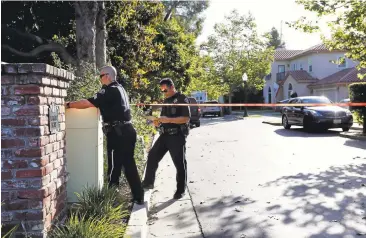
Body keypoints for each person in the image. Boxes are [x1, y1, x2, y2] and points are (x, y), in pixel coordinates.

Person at [65, 65, 144, 205]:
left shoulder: (109, 90)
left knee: (114, 166)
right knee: (128, 164)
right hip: (127, 130)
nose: (100, 79)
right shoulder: (121, 89)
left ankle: (110, 201)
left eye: (101, 76)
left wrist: (68, 104)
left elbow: (87, 103)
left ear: (107, 76)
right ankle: (138, 196)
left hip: (117, 133)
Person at [142, 78, 191, 200]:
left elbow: (185, 118)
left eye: (165, 89)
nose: (163, 92)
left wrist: (168, 120)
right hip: (164, 135)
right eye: (161, 90)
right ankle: (148, 182)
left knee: (179, 163)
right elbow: (164, 117)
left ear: (172, 86)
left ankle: (180, 190)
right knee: (152, 156)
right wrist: (158, 122)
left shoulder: (181, 99)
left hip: (176, 136)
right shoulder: (165, 101)